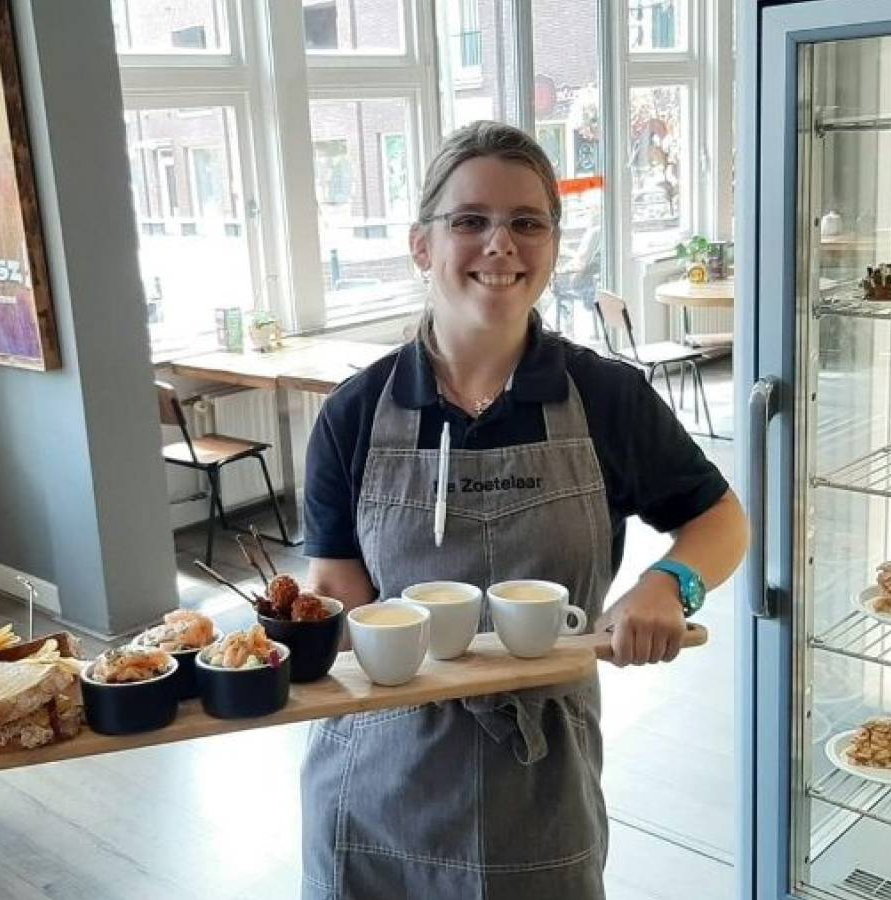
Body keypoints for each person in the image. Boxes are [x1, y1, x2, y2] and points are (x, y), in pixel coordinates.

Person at [298, 121, 749, 899]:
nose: (499, 244)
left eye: (526, 222)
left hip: (543, 777)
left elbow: (721, 519)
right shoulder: (356, 412)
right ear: (421, 245)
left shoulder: (607, 399)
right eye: (470, 220)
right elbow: (338, 581)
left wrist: (669, 584)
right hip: (380, 774)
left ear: (552, 244)